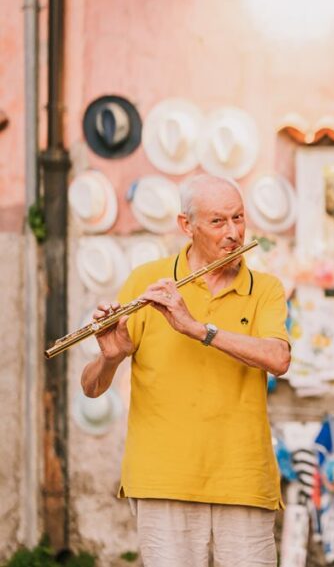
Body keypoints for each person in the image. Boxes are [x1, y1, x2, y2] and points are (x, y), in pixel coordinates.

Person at [80, 174, 291, 567]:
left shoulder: (265, 289)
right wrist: (111, 356)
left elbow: (278, 358)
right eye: (218, 221)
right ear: (186, 226)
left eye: (238, 218)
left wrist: (196, 329)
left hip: (242, 478)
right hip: (163, 478)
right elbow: (91, 388)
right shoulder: (147, 282)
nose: (233, 232)